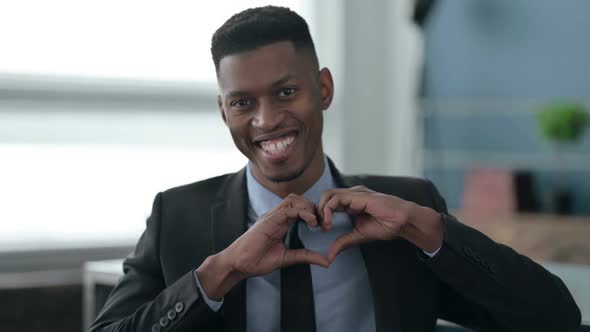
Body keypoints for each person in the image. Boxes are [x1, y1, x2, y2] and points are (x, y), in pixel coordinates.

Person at [88, 6, 581, 332]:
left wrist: (429, 229)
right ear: (224, 113)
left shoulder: (410, 209)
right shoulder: (178, 216)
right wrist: (222, 271)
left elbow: (554, 317)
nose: (266, 120)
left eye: (286, 92)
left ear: (323, 88)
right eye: (243, 103)